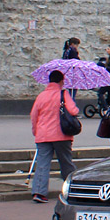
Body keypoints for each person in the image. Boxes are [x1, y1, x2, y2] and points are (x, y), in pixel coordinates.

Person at [29, 70, 79, 204]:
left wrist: (36, 131)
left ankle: (39, 192)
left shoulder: (41, 96)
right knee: (66, 164)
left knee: (42, 165)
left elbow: (34, 115)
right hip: (61, 135)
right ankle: (73, 188)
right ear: (61, 81)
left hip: (43, 135)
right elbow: (74, 111)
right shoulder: (64, 94)